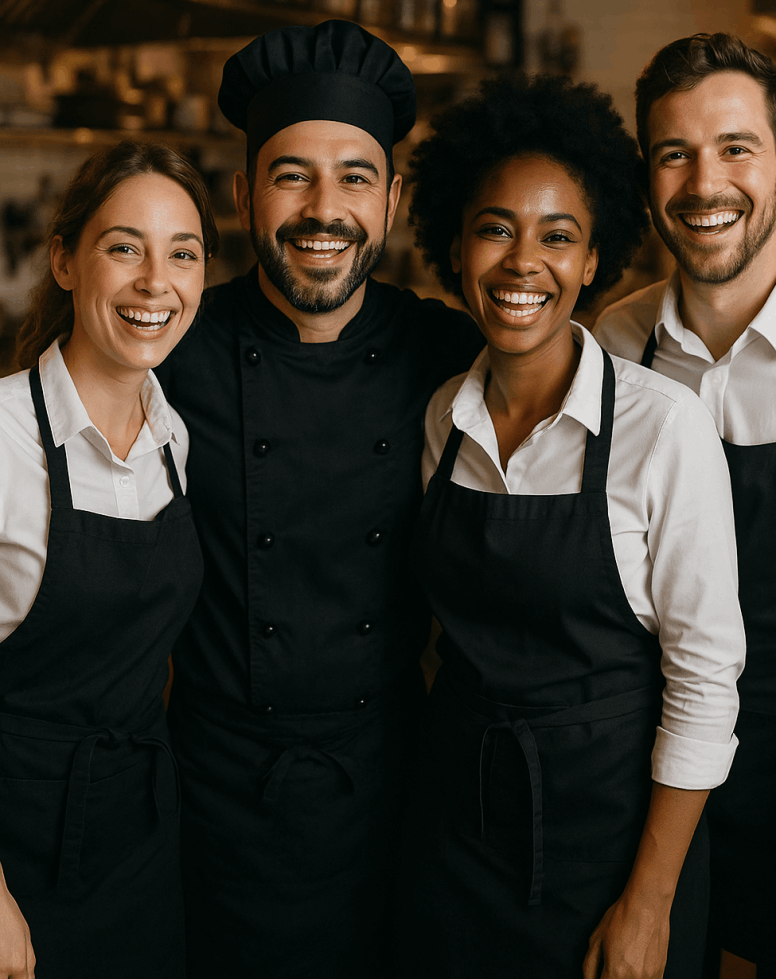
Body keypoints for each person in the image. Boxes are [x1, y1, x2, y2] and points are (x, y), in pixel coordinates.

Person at [399, 71, 746, 979]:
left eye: (557, 236)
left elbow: (706, 680)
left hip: (613, 854)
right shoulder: (441, 419)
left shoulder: (661, 428)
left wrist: (648, 903)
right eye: (494, 230)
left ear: (594, 260)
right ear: (454, 244)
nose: (523, 264)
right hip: (457, 838)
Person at [155, 20, 482, 978]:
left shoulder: (450, 354)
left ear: (390, 198)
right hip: (213, 792)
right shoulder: (170, 353)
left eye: (354, 176)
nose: (322, 207)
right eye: (291, 174)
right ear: (244, 191)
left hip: (393, 787)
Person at [594, 33, 776, 977]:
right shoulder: (610, 344)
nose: (703, 182)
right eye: (673, 153)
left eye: (734, 149)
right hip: (640, 802)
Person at [0, 139, 218, 979]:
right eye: (124, 247)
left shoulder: (174, 436)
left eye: (182, 254)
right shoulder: (10, 439)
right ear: (64, 261)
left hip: (137, 845)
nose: (155, 282)